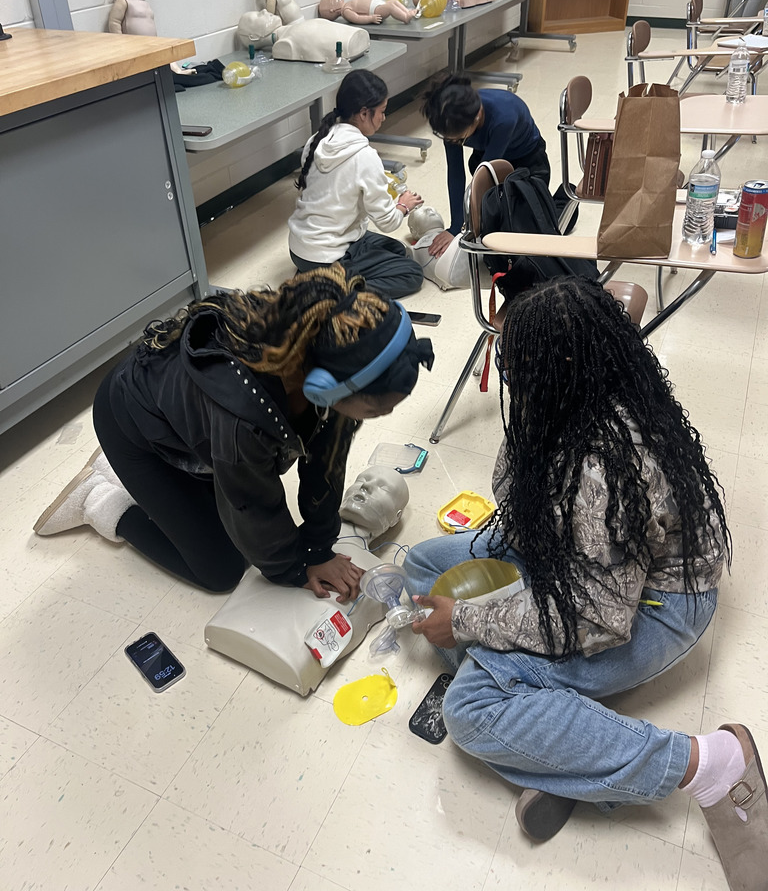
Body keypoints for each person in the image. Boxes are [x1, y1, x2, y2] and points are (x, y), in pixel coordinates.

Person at [404, 277, 766, 890]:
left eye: (515, 365)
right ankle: (556, 740)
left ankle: (711, 764)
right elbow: (519, 499)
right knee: (422, 565)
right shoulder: (575, 393)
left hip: (653, 604)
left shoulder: (603, 468)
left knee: (470, 709)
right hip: (569, 554)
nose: (506, 374)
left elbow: (599, 617)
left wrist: (465, 622)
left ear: (552, 372)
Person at [34, 266, 433, 603]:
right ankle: (99, 500)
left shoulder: (325, 354)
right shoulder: (242, 415)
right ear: (325, 386)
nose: (384, 416)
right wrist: (296, 567)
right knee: (222, 569)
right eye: (376, 409)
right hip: (132, 428)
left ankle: (143, 481)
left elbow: (328, 458)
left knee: (239, 525)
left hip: (191, 430)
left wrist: (318, 545)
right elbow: (250, 506)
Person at [289, 70, 424, 299]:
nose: (384, 118)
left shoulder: (316, 140)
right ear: (363, 113)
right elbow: (388, 222)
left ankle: (316, 276)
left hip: (300, 250)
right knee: (412, 273)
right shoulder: (365, 156)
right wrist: (403, 206)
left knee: (397, 250)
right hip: (328, 257)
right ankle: (335, 291)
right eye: (381, 111)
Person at [421, 72, 551, 257]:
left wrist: (465, 225)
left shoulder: (504, 117)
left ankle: (563, 199)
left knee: (532, 226)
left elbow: (483, 178)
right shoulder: (450, 119)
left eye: (460, 139)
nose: (454, 142)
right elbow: (456, 172)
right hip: (487, 154)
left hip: (528, 161)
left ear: (478, 116)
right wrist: (456, 227)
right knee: (494, 220)